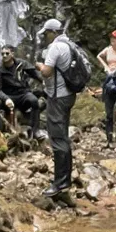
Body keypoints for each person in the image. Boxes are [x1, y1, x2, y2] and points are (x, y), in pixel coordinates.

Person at [37, 18, 77, 202]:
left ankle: (60, 183)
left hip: (57, 97)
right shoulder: (69, 44)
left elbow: (46, 72)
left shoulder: (55, 47)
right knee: (63, 137)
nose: (45, 37)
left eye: (46, 33)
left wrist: (39, 66)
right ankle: (65, 179)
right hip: (68, 95)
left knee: (58, 138)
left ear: (53, 32)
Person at [0, 45, 43, 139]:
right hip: (8, 96)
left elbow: (35, 74)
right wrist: (6, 99)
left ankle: (35, 131)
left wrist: (44, 81)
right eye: (2, 54)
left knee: (34, 101)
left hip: (22, 94)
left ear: (12, 54)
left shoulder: (22, 64)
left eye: (7, 53)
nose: (4, 56)